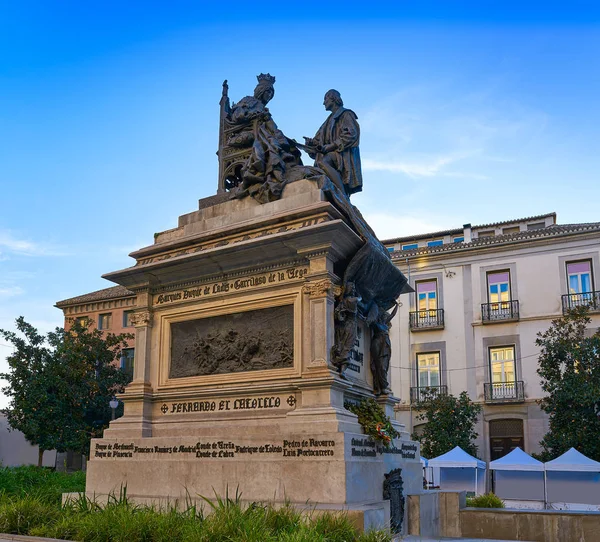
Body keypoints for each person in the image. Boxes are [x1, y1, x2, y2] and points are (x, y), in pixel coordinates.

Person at [227, 74, 301, 202]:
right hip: (245, 132)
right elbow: (237, 116)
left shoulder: (264, 108)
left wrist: (285, 139)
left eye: (271, 95)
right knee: (268, 141)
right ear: (261, 91)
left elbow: (273, 127)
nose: (269, 97)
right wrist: (254, 114)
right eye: (268, 93)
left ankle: (287, 168)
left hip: (261, 132)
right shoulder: (248, 100)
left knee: (284, 144)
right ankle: (272, 169)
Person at [303, 89, 363, 197]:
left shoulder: (346, 114)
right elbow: (318, 142)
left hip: (342, 155)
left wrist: (332, 146)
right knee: (314, 169)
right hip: (332, 154)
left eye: (325, 99)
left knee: (323, 162)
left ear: (333, 98)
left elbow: (351, 134)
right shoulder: (326, 122)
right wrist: (310, 144)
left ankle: (342, 196)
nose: (323, 102)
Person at [369, 303, 398, 395]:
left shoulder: (385, 323)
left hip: (385, 343)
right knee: (379, 364)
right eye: (382, 315)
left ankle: (383, 386)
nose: (384, 317)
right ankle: (380, 386)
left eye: (384, 315)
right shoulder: (375, 323)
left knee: (384, 366)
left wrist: (397, 305)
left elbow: (393, 314)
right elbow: (369, 320)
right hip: (377, 342)